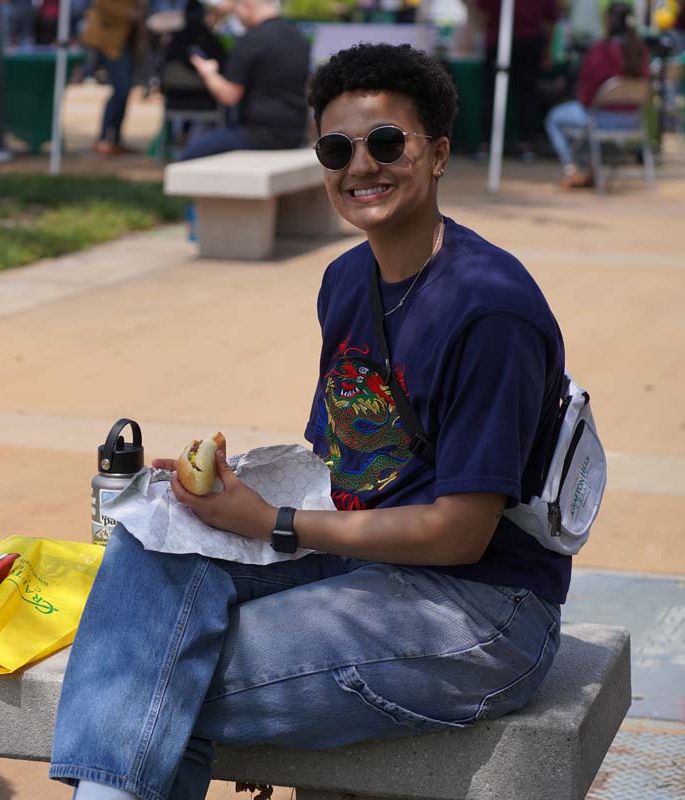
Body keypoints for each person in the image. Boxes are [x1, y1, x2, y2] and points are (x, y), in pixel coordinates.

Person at [49, 42, 568, 800]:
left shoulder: (489, 310)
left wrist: (273, 523)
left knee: (152, 677)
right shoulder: (346, 280)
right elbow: (343, 468)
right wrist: (226, 498)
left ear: (438, 154)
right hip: (367, 562)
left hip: (482, 608)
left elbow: (460, 534)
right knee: (152, 538)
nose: (361, 166)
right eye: (336, 149)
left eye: (385, 142)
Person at [182, 0, 309, 160]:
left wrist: (209, 73)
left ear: (247, 6)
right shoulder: (298, 36)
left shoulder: (252, 39)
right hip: (295, 134)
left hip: (257, 135)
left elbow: (229, 96)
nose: (237, 17)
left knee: (186, 158)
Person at [544, 2, 650, 189]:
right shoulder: (640, 50)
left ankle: (571, 169)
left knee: (555, 118)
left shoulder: (602, 51)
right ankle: (590, 170)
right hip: (632, 120)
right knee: (583, 122)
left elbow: (587, 94)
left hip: (600, 118)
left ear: (608, 20)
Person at [476, 0, 560, 161]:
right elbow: (551, 21)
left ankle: (489, 144)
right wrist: (547, 51)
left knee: (501, 95)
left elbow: (482, 14)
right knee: (522, 95)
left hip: (505, 41)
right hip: (521, 42)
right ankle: (522, 145)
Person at [80, 0, 147, 156]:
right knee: (121, 89)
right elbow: (102, 4)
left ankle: (114, 139)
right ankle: (105, 138)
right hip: (109, 42)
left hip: (125, 42)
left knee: (124, 90)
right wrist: (129, 13)